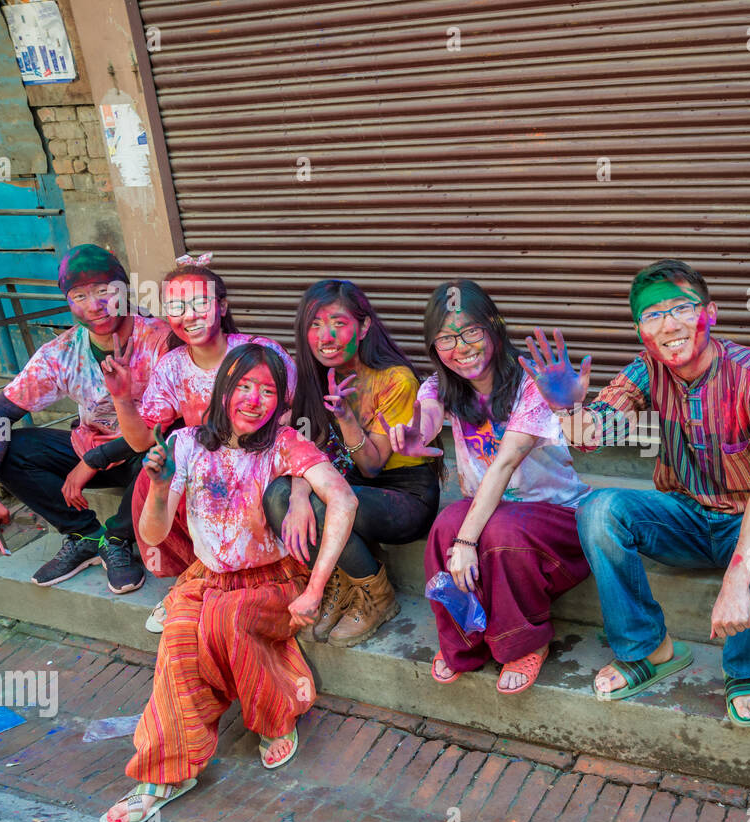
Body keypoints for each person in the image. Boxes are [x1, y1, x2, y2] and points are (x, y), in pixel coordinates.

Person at [526, 259, 750, 727]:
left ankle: (743, 667)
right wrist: (567, 407)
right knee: (598, 509)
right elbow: (594, 431)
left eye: (681, 307)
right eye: (653, 315)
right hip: (687, 517)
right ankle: (649, 649)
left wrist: (736, 580)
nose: (669, 323)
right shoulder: (646, 369)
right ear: (641, 331)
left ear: (710, 314)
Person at [100, 343, 357, 822]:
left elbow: (343, 500)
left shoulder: (284, 443)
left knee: (226, 619)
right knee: (177, 639)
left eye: (267, 390)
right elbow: (152, 536)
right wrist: (158, 489)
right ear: (222, 391)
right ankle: (164, 776)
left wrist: (315, 589)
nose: (254, 399)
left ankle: (275, 713)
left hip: (274, 582)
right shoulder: (184, 444)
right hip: (206, 579)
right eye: (243, 386)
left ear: (281, 403)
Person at [410, 280, 591, 693]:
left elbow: (506, 461)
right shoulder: (440, 387)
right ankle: (464, 642)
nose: (462, 347)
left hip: (557, 519)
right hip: (493, 513)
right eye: (446, 338)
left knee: (494, 531)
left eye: (472, 331)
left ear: (494, 327)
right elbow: (429, 417)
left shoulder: (531, 384)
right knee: (444, 528)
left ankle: (522, 642)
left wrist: (468, 540)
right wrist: (417, 436)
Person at [103, 253, 296, 632]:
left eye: (199, 303)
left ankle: (209, 580)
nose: (188, 315)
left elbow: (293, 416)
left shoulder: (260, 352)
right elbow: (143, 441)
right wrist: (122, 398)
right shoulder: (172, 366)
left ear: (221, 306)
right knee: (151, 477)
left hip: (263, 461)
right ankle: (196, 572)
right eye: (176, 306)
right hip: (206, 471)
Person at [0, 244, 167, 593]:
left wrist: (94, 459)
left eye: (105, 291)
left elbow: (171, 423)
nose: (94, 305)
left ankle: (118, 540)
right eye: (79, 295)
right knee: (9, 448)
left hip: (144, 452)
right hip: (91, 447)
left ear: (124, 289)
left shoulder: (161, 338)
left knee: (172, 446)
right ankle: (86, 534)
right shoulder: (62, 352)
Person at [264, 279, 440, 648]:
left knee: (325, 504)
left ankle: (376, 596)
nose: (325, 336)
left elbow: (372, 464)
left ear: (363, 327)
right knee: (278, 494)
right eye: (314, 324)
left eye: (337, 323)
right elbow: (307, 449)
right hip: (346, 486)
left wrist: (345, 416)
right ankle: (340, 584)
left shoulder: (396, 379)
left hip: (403, 495)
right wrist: (298, 495)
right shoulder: (312, 375)